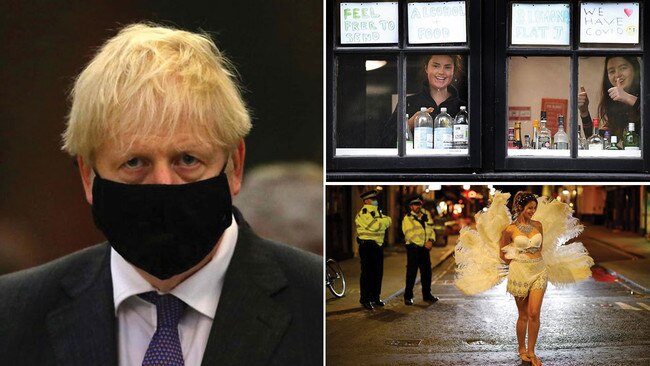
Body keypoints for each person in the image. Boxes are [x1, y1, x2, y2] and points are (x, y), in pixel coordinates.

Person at [0, 23, 322, 365]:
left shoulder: (316, 305)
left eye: (187, 160)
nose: (164, 184)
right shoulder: (12, 315)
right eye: (135, 162)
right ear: (87, 175)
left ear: (235, 165)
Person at [454, 191, 594, 366]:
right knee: (523, 315)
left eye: (534, 208)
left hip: (539, 270)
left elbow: (540, 247)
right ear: (520, 207)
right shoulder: (509, 229)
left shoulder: (539, 225)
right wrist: (518, 260)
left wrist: (533, 257)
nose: (532, 211)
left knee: (534, 313)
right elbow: (503, 254)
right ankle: (521, 348)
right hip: (519, 272)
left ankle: (531, 351)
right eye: (529, 208)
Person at [381, 54, 467, 147]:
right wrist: (409, 124)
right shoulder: (408, 103)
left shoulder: (463, 108)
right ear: (426, 68)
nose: (441, 72)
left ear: (453, 71)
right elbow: (385, 144)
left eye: (447, 67)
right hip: (416, 162)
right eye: (435, 66)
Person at [578, 56, 641, 143]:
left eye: (623, 68)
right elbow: (597, 142)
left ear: (635, 69)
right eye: (612, 71)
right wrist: (584, 112)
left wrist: (628, 97)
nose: (617, 75)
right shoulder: (615, 104)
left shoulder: (645, 92)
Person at [355, 189, 392, 310]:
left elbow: (389, 220)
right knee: (367, 274)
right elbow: (375, 226)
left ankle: (375, 297)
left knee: (377, 273)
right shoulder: (364, 213)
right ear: (366, 201)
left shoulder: (377, 213)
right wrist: (383, 222)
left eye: (375, 199)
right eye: (373, 199)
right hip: (367, 246)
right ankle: (365, 299)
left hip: (377, 246)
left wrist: (383, 221)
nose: (376, 201)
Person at [401, 195, 439, 306]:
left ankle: (427, 295)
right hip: (414, 248)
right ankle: (408, 297)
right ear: (411, 207)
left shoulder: (426, 216)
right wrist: (424, 244)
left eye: (419, 204)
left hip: (425, 249)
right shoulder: (407, 218)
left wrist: (431, 240)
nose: (418, 206)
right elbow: (410, 235)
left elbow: (431, 229)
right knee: (411, 273)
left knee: (427, 273)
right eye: (415, 205)